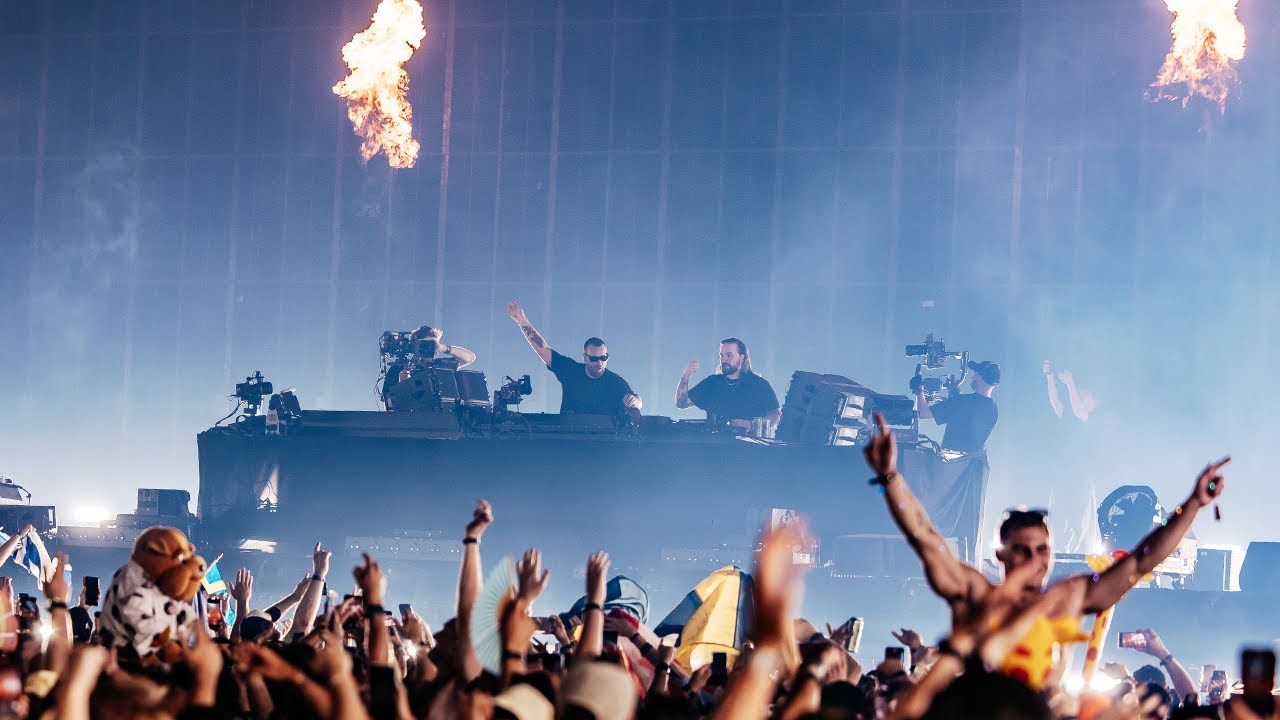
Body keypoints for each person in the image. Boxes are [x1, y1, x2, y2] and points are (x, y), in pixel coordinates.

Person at [861, 412, 1228, 677]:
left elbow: (1139, 563)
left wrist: (1193, 504)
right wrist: (890, 478)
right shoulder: (976, 594)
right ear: (1001, 554)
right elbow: (925, 538)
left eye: (1042, 550)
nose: (1034, 560)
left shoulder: (1064, 600)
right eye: (1023, 550)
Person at [506, 300, 642, 415]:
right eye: (594, 359)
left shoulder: (615, 382)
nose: (599, 362)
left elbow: (638, 402)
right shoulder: (570, 370)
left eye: (603, 358)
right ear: (585, 357)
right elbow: (543, 350)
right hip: (569, 435)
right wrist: (522, 321)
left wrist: (635, 401)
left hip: (603, 437)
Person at [675, 338, 780, 432]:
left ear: (741, 357)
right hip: (714, 445)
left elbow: (776, 415)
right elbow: (681, 403)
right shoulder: (711, 382)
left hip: (749, 445)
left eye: (729, 355)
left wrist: (750, 425)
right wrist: (686, 375)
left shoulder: (759, 385)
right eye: (721, 355)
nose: (724, 360)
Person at [915, 360, 1000, 453]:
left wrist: (919, 389)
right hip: (975, 461)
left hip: (952, 460)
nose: (972, 377)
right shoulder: (993, 409)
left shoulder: (962, 402)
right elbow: (967, 420)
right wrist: (954, 398)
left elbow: (922, 413)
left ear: (981, 378)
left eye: (975, 374)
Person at [381, 325, 476, 408]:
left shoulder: (440, 366)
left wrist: (443, 348)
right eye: (424, 345)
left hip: (441, 417)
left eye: (433, 345)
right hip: (412, 419)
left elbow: (469, 358)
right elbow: (389, 405)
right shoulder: (398, 369)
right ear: (414, 346)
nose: (430, 348)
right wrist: (402, 385)